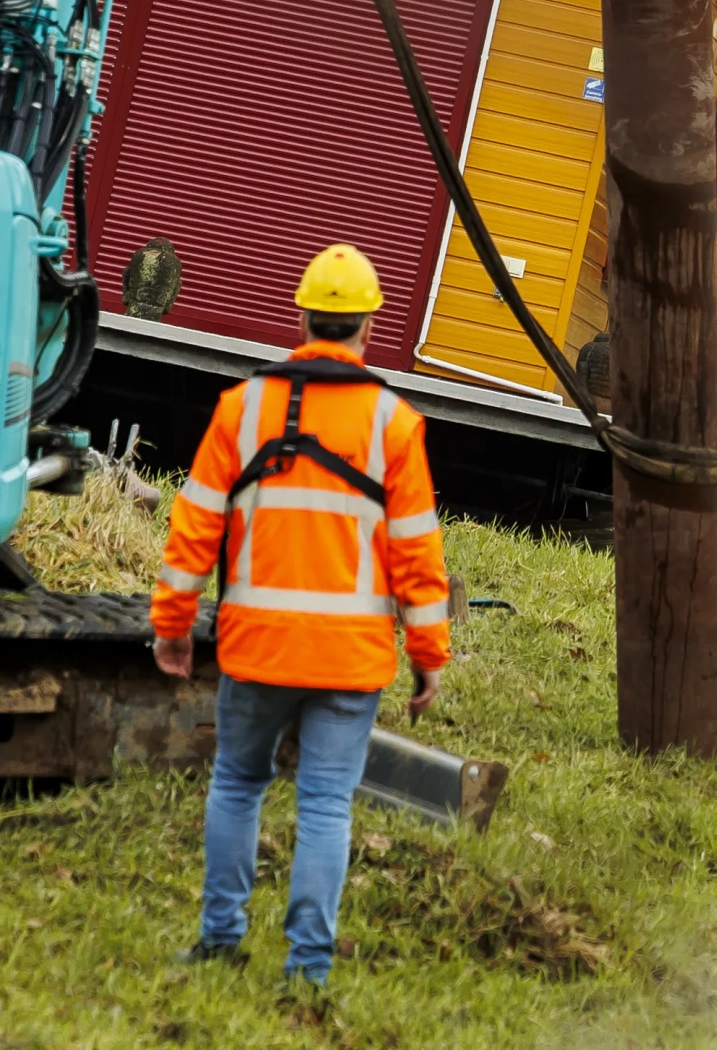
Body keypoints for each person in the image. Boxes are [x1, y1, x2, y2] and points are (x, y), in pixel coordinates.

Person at [152, 243, 451, 989]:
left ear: (302, 317)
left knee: (236, 785)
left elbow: (193, 530)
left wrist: (171, 625)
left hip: (256, 649)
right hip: (349, 662)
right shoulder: (394, 424)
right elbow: (417, 556)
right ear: (368, 328)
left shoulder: (242, 408)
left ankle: (221, 939)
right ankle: (308, 968)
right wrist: (429, 656)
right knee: (324, 806)